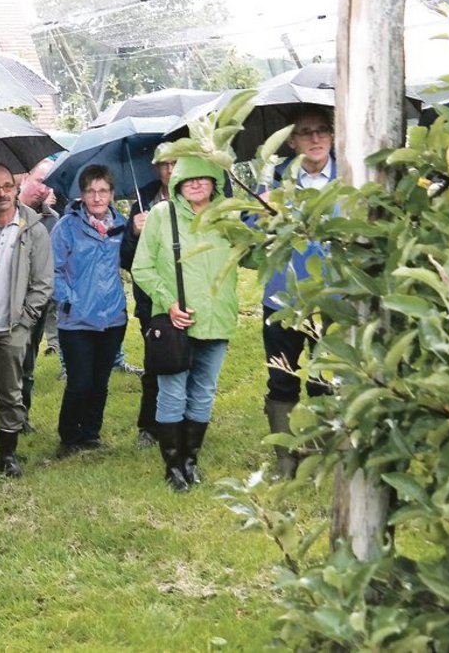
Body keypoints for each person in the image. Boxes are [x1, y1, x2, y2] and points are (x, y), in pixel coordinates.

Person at [134, 157, 238, 491]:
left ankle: (191, 461)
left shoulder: (228, 217)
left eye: (203, 178)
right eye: (187, 179)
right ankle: (172, 466)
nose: (195, 184)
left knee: (204, 391)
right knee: (172, 391)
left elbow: (253, 257)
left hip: (217, 318)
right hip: (177, 322)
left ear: (215, 181)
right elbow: (142, 268)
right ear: (176, 182)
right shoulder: (163, 216)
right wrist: (169, 303)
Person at [255, 105, 337, 478]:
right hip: (282, 297)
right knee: (282, 377)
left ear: (333, 135)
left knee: (328, 379)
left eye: (322, 130)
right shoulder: (274, 181)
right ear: (292, 141)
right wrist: (259, 212)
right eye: (307, 132)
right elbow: (250, 231)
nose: (316, 138)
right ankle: (286, 460)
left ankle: (324, 455)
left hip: (334, 298)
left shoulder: (350, 178)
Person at [0, 164, 53, 479]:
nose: (1, 193)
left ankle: (9, 456)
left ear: (16, 189)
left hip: (14, 326)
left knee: (12, 392)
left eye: (7, 186)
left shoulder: (34, 228)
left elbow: (43, 282)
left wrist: (27, 320)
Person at [51, 165, 128, 456]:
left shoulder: (121, 224)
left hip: (113, 316)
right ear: (82, 194)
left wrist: (137, 231)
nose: (97, 197)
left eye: (103, 191)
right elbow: (53, 270)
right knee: (80, 382)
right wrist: (69, 300)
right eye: (91, 191)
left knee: (100, 382)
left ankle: (91, 433)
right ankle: (69, 436)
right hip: (77, 319)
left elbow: (134, 258)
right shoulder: (67, 227)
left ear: (111, 193)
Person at [121, 153, 176, 449]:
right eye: (164, 164)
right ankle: (149, 425)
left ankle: (184, 421)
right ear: (155, 168)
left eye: (175, 163)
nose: (169, 170)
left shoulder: (192, 199)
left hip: (186, 295)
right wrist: (133, 232)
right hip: (152, 300)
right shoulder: (142, 203)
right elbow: (127, 259)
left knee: (188, 360)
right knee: (155, 362)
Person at [17, 158, 61, 430]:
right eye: (40, 181)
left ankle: (22, 417)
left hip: (36, 302)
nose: (44, 190)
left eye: (49, 185)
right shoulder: (3, 213)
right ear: (24, 178)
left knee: (28, 363)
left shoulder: (51, 221)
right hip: (5, 302)